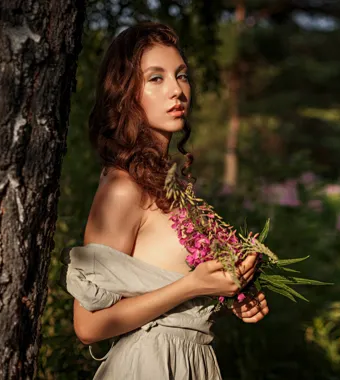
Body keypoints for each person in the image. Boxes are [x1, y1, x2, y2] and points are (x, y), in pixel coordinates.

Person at [63, 22, 269, 379]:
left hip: (192, 362)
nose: (177, 90)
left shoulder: (173, 187)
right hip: (150, 365)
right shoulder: (122, 188)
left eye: (182, 75)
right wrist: (194, 285)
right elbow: (88, 325)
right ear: (126, 93)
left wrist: (229, 296)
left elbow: (173, 298)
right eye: (155, 78)